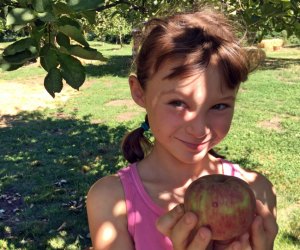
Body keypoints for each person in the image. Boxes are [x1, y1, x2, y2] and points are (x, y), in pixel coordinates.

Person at [86, 8, 278, 250]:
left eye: (219, 105)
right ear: (139, 92)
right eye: (177, 103)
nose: (199, 129)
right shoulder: (110, 200)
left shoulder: (257, 192)